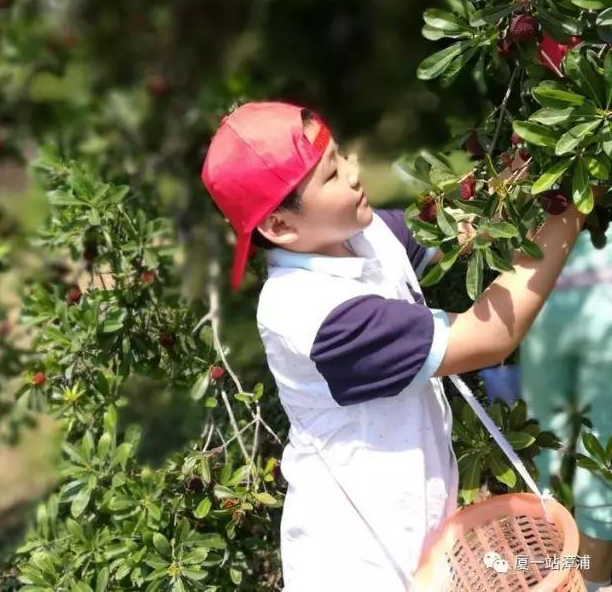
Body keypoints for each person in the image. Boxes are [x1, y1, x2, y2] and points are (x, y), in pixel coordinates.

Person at [200, 100, 601, 591]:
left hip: (420, 536)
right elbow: (488, 337)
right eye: (330, 175)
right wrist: (576, 202)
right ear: (280, 226)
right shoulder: (314, 316)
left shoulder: (361, 238)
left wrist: (538, 164)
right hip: (359, 564)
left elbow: (462, 226)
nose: (351, 172)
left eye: (341, 155)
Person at [519, 228, 612, 592]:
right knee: (599, 450)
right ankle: (587, 577)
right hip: (552, 285)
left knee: (547, 438)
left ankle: (565, 570)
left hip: (539, 281)